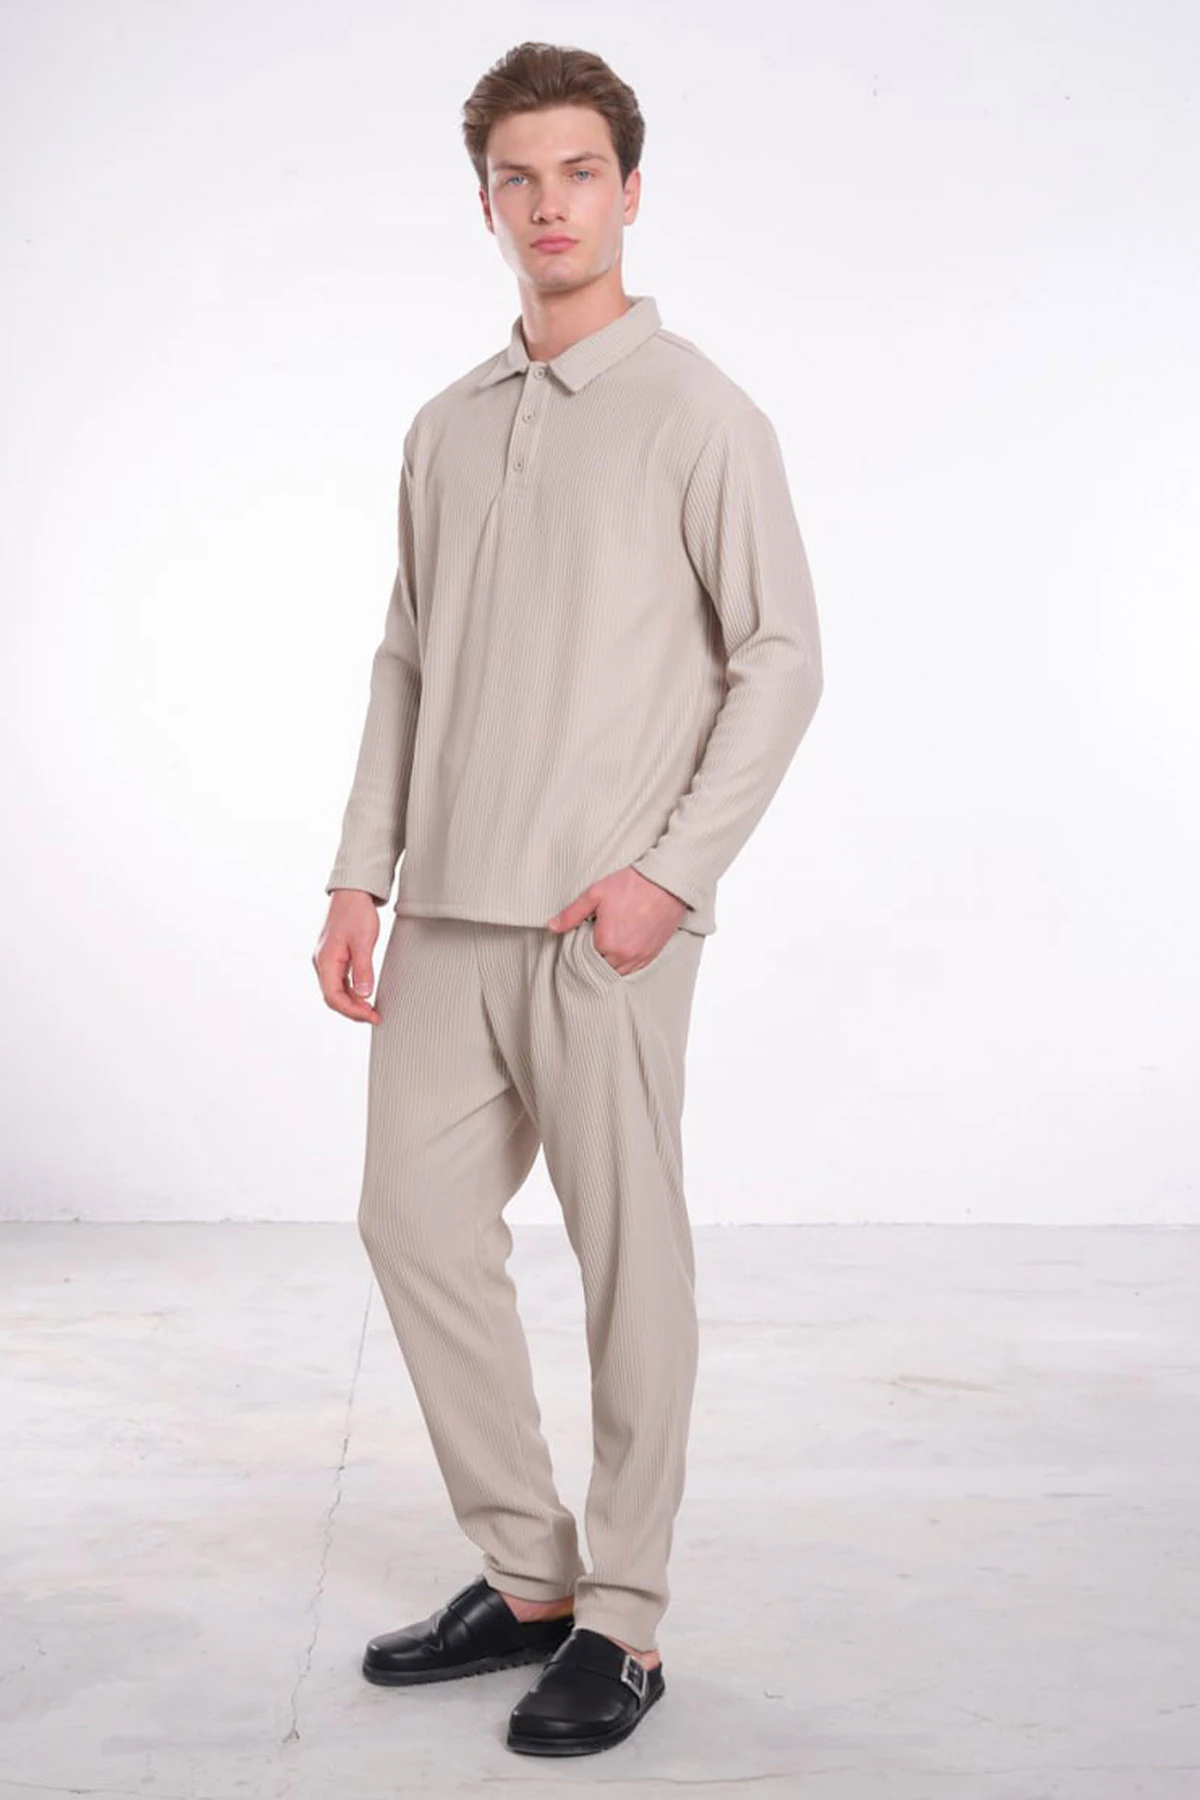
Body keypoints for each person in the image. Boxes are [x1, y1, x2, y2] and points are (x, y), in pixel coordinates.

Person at [312, 39, 823, 1758]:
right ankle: (531, 1578)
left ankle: (628, 1621)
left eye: (579, 173)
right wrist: (358, 871)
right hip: (448, 916)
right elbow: (405, 661)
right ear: (486, 203)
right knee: (411, 1224)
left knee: (628, 1259)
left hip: (602, 927)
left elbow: (781, 659)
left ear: (630, 191)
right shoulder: (446, 426)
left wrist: (670, 879)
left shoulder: (701, 415)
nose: (550, 204)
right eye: (518, 178)